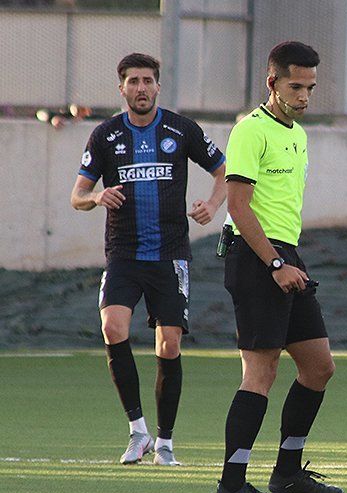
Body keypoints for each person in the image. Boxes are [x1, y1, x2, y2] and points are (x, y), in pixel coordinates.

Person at [70, 53, 226, 466]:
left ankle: (166, 442)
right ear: (121, 88)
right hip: (123, 253)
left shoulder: (181, 129)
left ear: (158, 86)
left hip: (170, 255)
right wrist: (97, 196)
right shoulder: (105, 136)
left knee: (169, 343)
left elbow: (223, 169)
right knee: (112, 325)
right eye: (133, 81)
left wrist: (212, 205)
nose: (141, 88)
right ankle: (137, 432)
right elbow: (77, 195)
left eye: (148, 81)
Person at [214, 41, 344, 493]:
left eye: (310, 86)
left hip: (287, 255)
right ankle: (231, 484)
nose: (305, 95)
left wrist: (286, 261)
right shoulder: (250, 131)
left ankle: (287, 473)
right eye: (296, 86)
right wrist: (274, 264)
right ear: (272, 83)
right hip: (257, 259)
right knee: (260, 372)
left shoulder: (298, 134)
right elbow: (237, 207)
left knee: (318, 367)